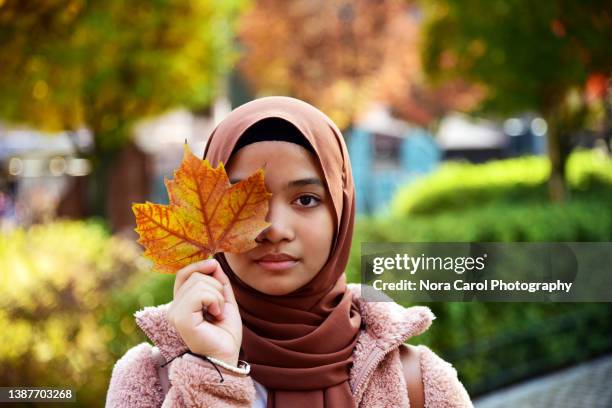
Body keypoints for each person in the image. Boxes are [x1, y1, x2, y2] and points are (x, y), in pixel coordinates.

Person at [106, 97, 472, 407]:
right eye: (246, 203)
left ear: (341, 214)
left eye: (306, 199)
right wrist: (212, 371)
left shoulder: (419, 383)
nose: (274, 229)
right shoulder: (150, 382)